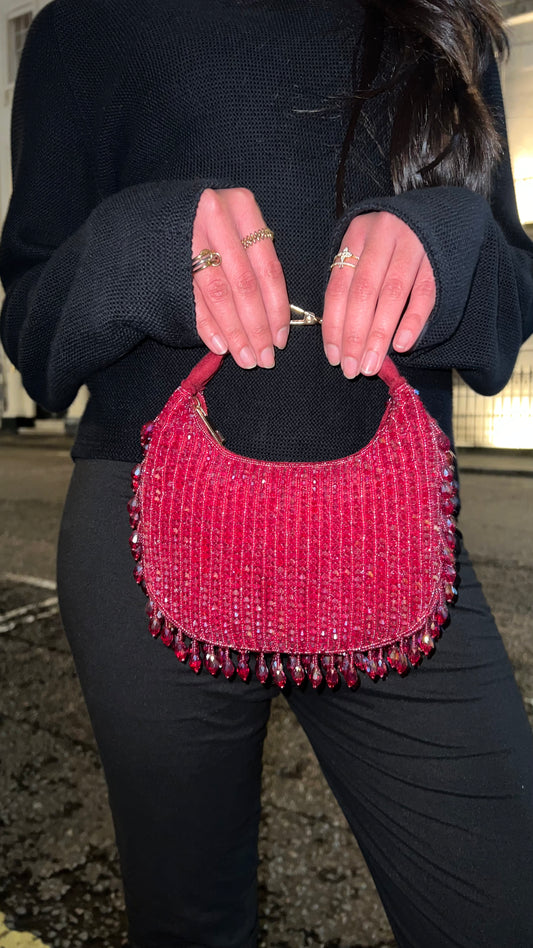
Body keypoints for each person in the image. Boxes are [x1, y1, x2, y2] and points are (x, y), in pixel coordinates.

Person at [1, 0, 533, 945]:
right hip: (149, 546)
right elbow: (37, 331)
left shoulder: (442, 23)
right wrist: (147, 241)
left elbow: (510, 294)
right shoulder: (86, 27)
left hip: (397, 545)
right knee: (188, 921)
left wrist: (446, 241)